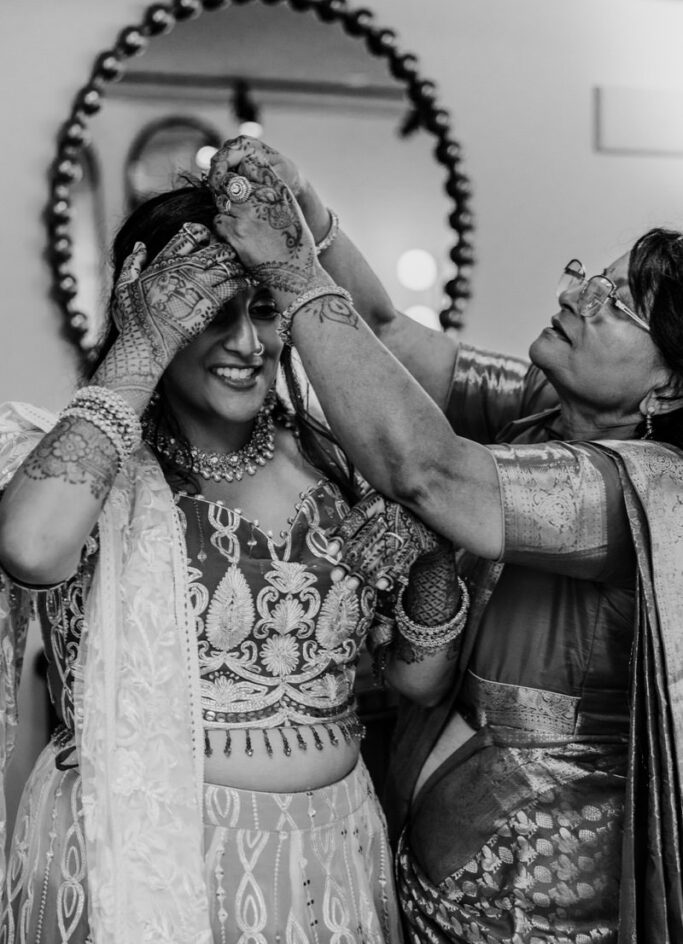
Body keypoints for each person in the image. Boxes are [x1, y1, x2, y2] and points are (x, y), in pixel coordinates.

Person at [208, 136, 683, 944]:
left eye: (616, 306)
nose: (577, 298)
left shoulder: (640, 492)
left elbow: (426, 471)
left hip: (535, 894)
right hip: (428, 840)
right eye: (590, 279)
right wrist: (307, 210)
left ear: (668, 386)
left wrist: (291, 276)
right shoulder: (541, 411)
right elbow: (387, 331)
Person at [0, 182, 469, 943]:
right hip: (145, 851)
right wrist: (143, 342)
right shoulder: (84, 465)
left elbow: (418, 681)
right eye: (211, 313)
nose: (248, 344)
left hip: (330, 855)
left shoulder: (339, 461)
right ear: (147, 309)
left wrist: (431, 557)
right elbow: (28, 548)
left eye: (261, 310)